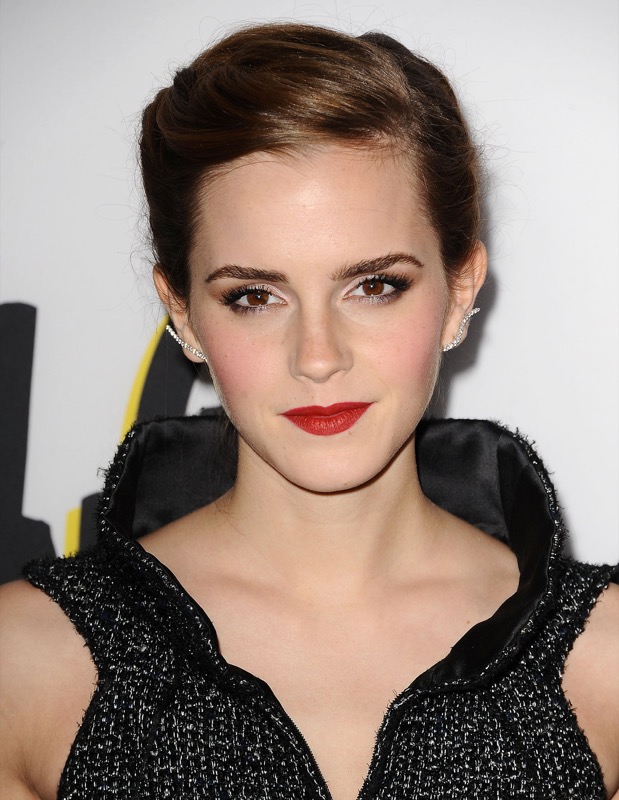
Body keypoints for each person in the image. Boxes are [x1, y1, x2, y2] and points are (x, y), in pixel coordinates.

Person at [0, 22, 617, 800]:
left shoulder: (604, 661)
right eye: (254, 296)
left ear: (459, 290)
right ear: (183, 313)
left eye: (374, 285)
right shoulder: (25, 664)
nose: (317, 357)